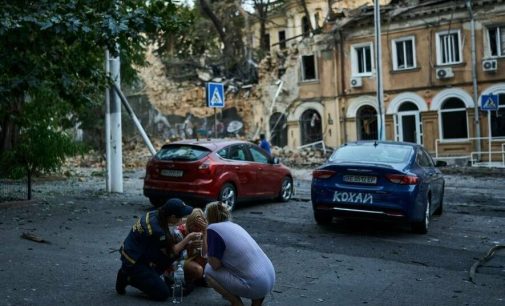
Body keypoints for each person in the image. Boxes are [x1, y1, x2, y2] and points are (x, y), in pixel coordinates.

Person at [115, 198, 202, 301]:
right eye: (181, 217)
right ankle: (128, 277)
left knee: (169, 257)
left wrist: (191, 221)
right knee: (163, 294)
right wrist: (188, 239)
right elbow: (173, 250)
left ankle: (151, 276)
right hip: (134, 263)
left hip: (136, 252)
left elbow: (167, 244)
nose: (182, 219)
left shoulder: (155, 214)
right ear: (172, 216)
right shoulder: (158, 231)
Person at [204, 201, 275, 306]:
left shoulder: (212, 229)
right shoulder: (234, 225)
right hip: (270, 280)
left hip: (256, 286)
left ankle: (236, 303)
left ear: (209, 216)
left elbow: (215, 265)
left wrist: (204, 235)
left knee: (208, 270)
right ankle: (256, 303)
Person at [175, 208, 208, 288]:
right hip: (180, 261)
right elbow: (175, 256)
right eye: (195, 226)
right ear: (189, 224)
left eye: (200, 226)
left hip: (194, 259)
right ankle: (187, 280)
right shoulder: (179, 232)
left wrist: (205, 233)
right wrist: (189, 247)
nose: (198, 229)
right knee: (198, 270)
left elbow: (205, 254)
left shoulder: (204, 231)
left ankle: (198, 279)